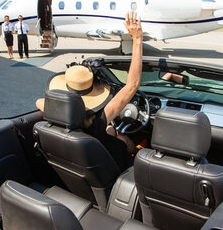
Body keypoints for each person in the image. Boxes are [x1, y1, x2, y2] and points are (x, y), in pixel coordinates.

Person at [36, 11, 143, 171]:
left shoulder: (59, 119)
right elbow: (132, 85)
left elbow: (39, 102)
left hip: (73, 169)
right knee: (123, 140)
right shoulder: (97, 122)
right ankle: (136, 151)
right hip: (111, 170)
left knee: (112, 132)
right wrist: (137, 39)